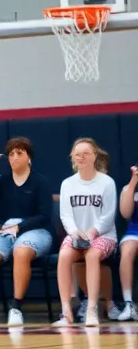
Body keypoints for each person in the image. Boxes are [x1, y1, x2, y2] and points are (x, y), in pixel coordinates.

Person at [0, 137, 54, 326]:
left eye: (19, 153)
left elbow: (45, 215)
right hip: (6, 232)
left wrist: (20, 226)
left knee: (21, 252)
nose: (14, 157)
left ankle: (16, 308)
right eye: (11, 154)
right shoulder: (3, 181)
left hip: (36, 230)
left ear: (28, 157)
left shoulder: (40, 181)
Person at [54, 138, 118, 327]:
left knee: (92, 255)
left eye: (85, 153)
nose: (81, 157)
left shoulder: (106, 182)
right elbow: (65, 214)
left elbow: (108, 215)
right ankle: (66, 312)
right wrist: (74, 233)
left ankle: (91, 309)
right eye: (77, 154)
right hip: (77, 234)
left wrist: (92, 232)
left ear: (94, 155)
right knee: (64, 255)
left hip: (103, 235)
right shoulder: (67, 184)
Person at [119, 164, 138, 321]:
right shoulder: (128, 188)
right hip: (135, 231)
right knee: (127, 251)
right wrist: (133, 183)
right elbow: (126, 213)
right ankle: (129, 303)